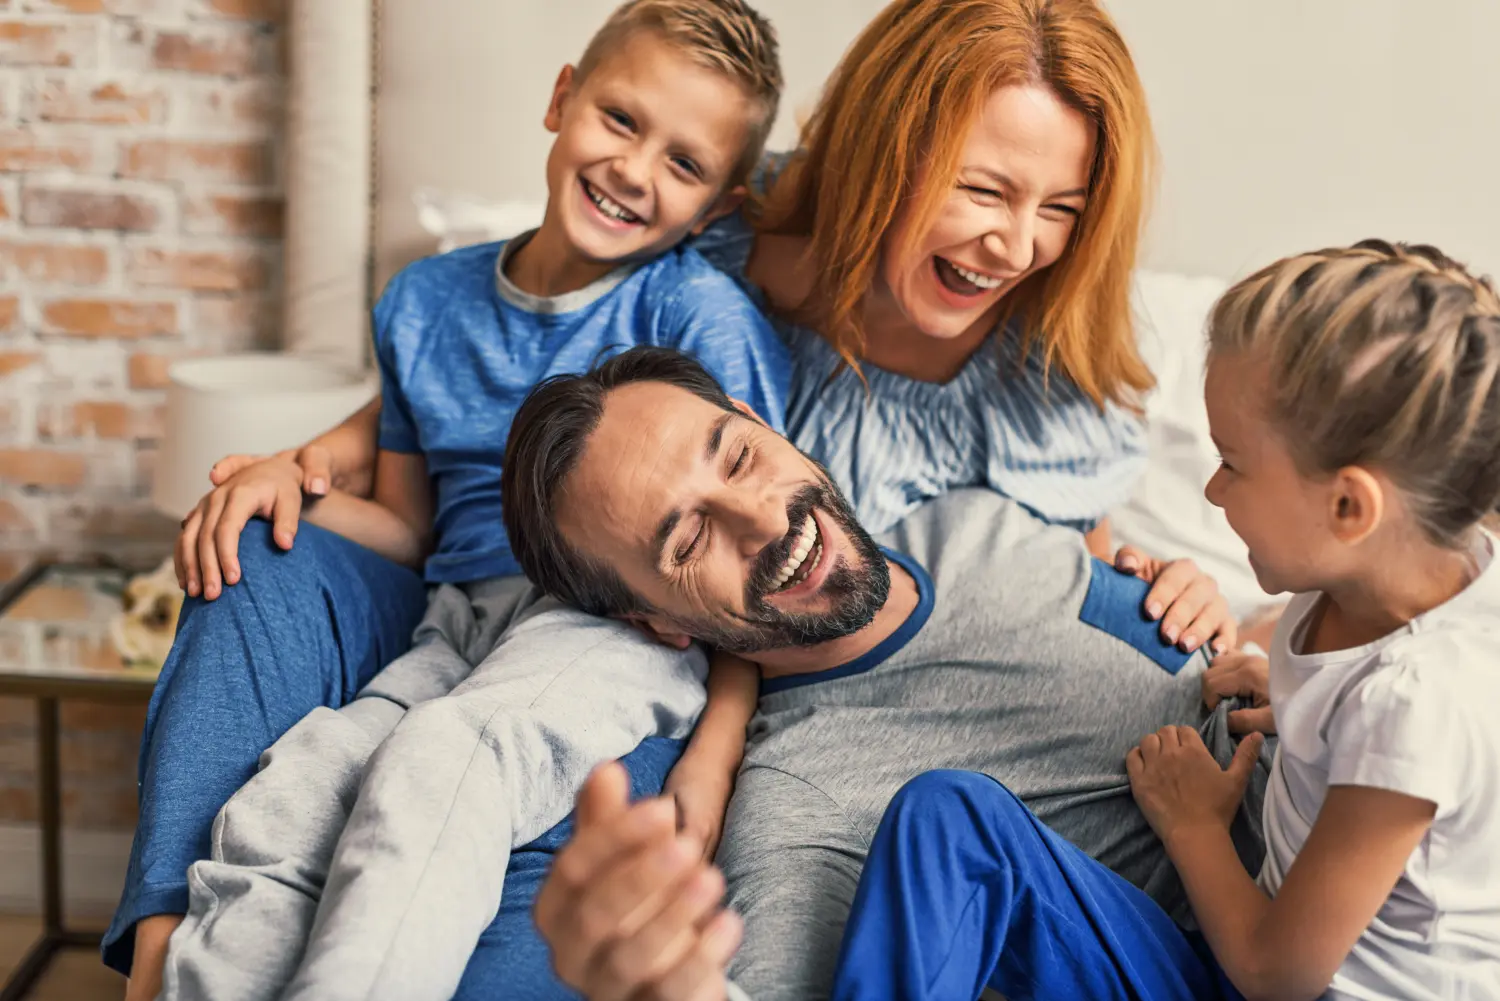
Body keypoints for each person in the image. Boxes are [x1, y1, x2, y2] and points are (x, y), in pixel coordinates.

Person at [128, 0, 1227, 995]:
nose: (1014, 242)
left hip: (753, 668)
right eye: (983, 188)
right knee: (297, 733)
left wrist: (1188, 600)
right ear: (884, 160)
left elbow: (1068, 580)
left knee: (459, 763)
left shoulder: (1036, 391)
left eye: (1061, 208)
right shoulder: (710, 242)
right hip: (584, 606)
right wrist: (300, 463)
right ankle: (163, 962)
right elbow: (496, 386)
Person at [117, 4, 787, 1000]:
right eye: (620, 119)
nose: (636, 170)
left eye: (684, 165)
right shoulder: (424, 301)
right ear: (563, 98)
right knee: (298, 794)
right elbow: (407, 524)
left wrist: (716, 758)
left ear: (717, 206)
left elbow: (754, 566)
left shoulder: (695, 316)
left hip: (611, 623)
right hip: (456, 618)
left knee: (444, 762)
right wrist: (281, 482)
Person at [826, 241, 1500, 1001]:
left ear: (1349, 506)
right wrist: (1299, 706)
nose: (1211, 490)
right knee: (948, 820)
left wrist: (1195, 824)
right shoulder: (1396, 568)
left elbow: (1278, 973)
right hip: (1245, 943)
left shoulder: (1415, 704)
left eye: (1234, 463)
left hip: (1268, 975)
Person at [504, 347, 1260, 1001]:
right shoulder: (802, 813)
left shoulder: (976, 518)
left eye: (737, 456)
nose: (764, 520)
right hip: (1239, 957)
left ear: (759, 421)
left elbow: (1212, 641)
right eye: (691, 539)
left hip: (1328, 840)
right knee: (949, 812)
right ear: (656, 622)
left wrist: (1234, 632)